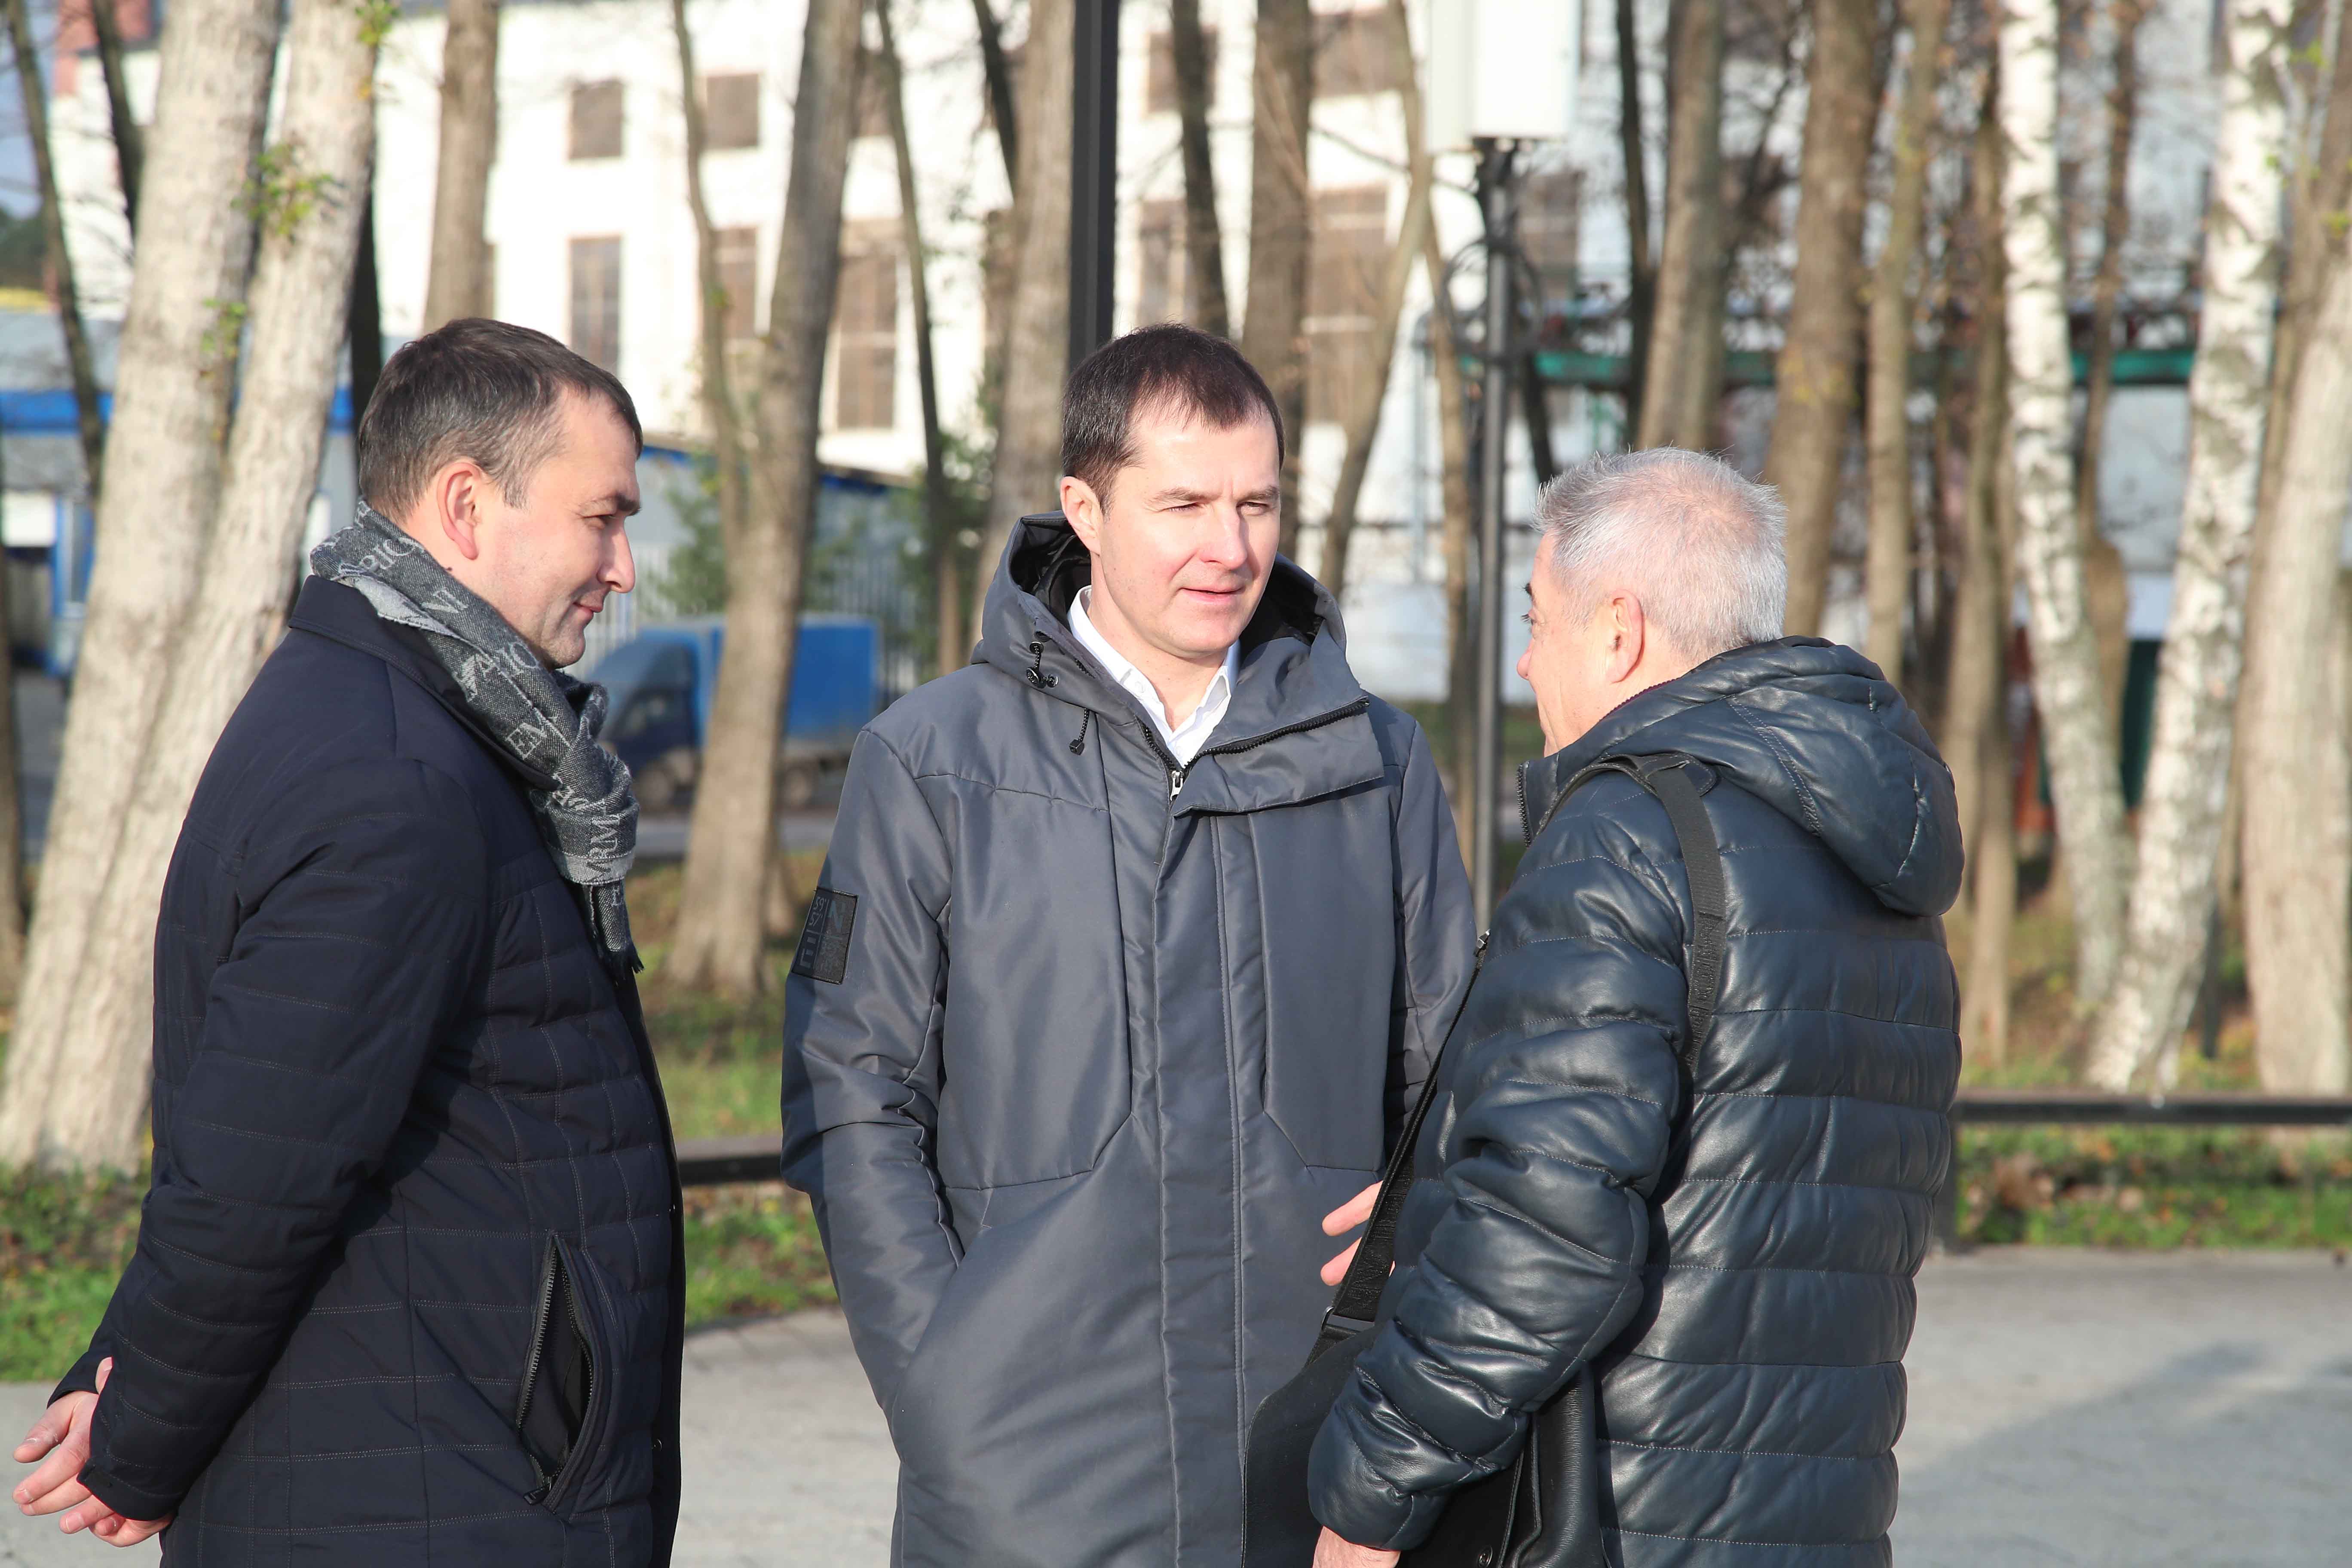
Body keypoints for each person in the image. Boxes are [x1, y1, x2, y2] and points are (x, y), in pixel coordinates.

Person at [781, 323, 1476, 1565]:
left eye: (1257, 503)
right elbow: (852, 1095)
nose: (1232, 547)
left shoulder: (1376, 764)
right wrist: (946, 1385)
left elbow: (1459, 1097)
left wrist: (1401, 1406)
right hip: (1023, 1482)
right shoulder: (931, 761)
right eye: (1186, 504)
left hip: (1315, 1472)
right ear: (1085, 510)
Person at [9, 319, 686, 1563]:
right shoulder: (397, 774)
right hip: (427, 1495)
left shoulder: (411, 726)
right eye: (602, 519)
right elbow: (260, 1169)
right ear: (467, 505)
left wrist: (127, 1376)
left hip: (435, 1457)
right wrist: (140, 1432)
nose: (623, 567)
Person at [1306, 449, 1963, 1567]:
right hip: (1821, 1519)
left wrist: (1374, 1488)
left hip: (1617, 1515)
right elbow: (1738, 1172)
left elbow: (1547, 1230)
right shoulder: (1878, 865)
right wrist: (1458, 1179)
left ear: (1617, 629)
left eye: (1536, 619)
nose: (1526, 660)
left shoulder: (1626, 835)